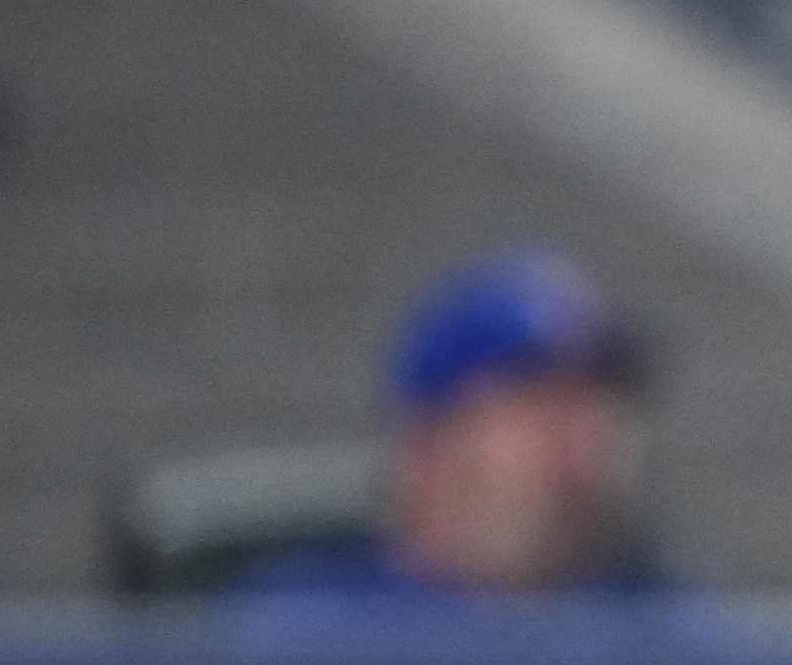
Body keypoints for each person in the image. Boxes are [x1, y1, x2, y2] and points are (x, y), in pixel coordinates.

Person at [226, 249, 678, 605]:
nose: (580, 440)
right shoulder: (301, 641)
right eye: (536, 406)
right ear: (425, 445)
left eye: (597, 406)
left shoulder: (681, 647)